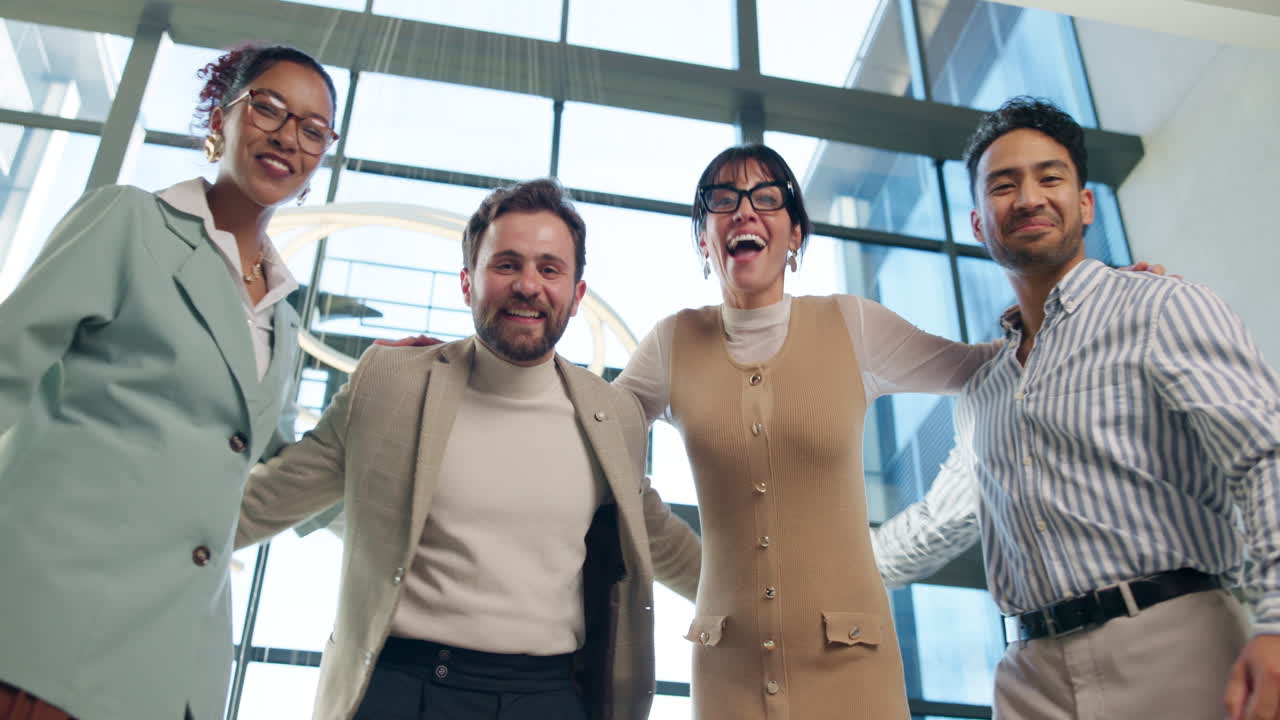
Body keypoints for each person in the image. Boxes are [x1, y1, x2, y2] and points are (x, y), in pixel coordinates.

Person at [872, 96, 1280, 720]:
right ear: (980, 225)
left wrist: (1277, 623)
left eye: (1050, 177)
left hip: (1176, 642)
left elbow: (1265, 457)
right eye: (1004, 186)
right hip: (1031, 677)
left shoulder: (1161, 308)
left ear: (1084, 204)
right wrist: (809, 578)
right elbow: (938, 522)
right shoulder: (982, 388)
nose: (1029, 197)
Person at [234, 178, 702, 720]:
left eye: (549, 269)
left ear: (576, 296)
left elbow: (659, 539)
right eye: (506, 265)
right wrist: (149, 540)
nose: (527, 285)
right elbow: (271, 499)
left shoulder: (612, 414)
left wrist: (768, 612)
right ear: (467, 282)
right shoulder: (391, 383)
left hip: (547, 698)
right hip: (399, 688)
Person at [0, 45, 338, 720]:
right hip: (52, 631)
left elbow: (266, 459)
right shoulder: (128, 221)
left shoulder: (284, 314)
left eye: (313, 128)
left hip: (175, 664)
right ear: (221, 119)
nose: (287, 136)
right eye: (268, 107)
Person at [611, 144, 1000, 719]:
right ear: (703, 240)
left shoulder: (852, 324)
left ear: (795, 234)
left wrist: (1100, 308)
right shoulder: (671, 343)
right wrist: (695, 570)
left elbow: (986, 369)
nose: (744, 211)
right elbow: (596, 440)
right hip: (727, 675)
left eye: (766, 198)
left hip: (853, 667)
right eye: (723, 201)